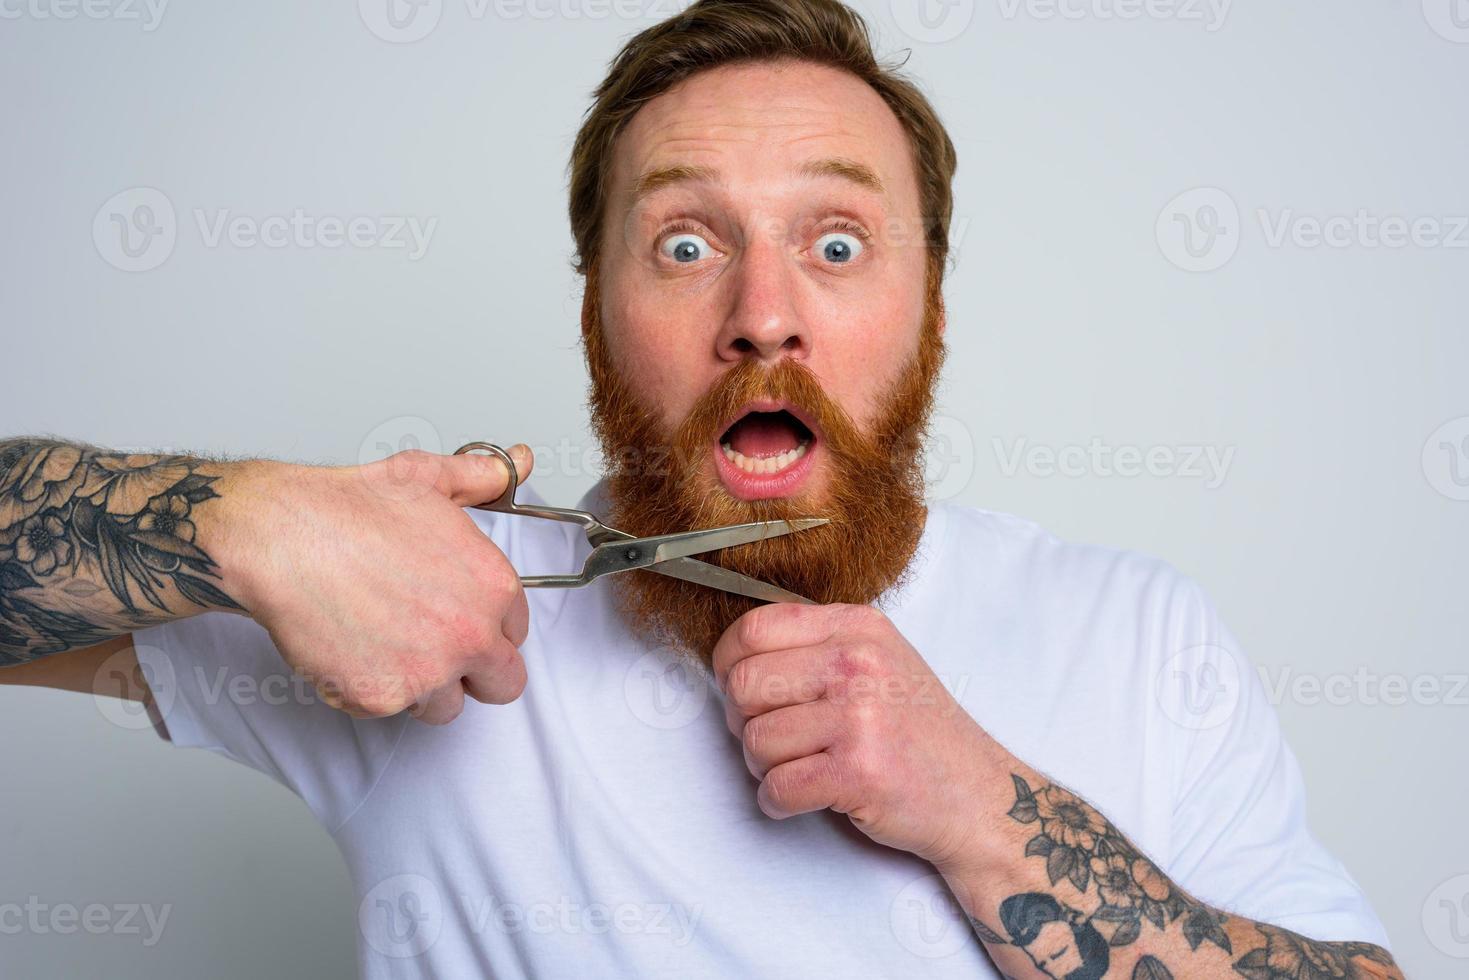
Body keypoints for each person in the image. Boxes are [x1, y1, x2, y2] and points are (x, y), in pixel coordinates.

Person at [0, 1, 1401, 977]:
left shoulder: (1136, 634)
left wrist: (979, 808)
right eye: (682, 243)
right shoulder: (417, 592)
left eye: (838, 244)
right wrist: (239, 521)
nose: (763, 314)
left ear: (932, 304)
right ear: (594, 307)